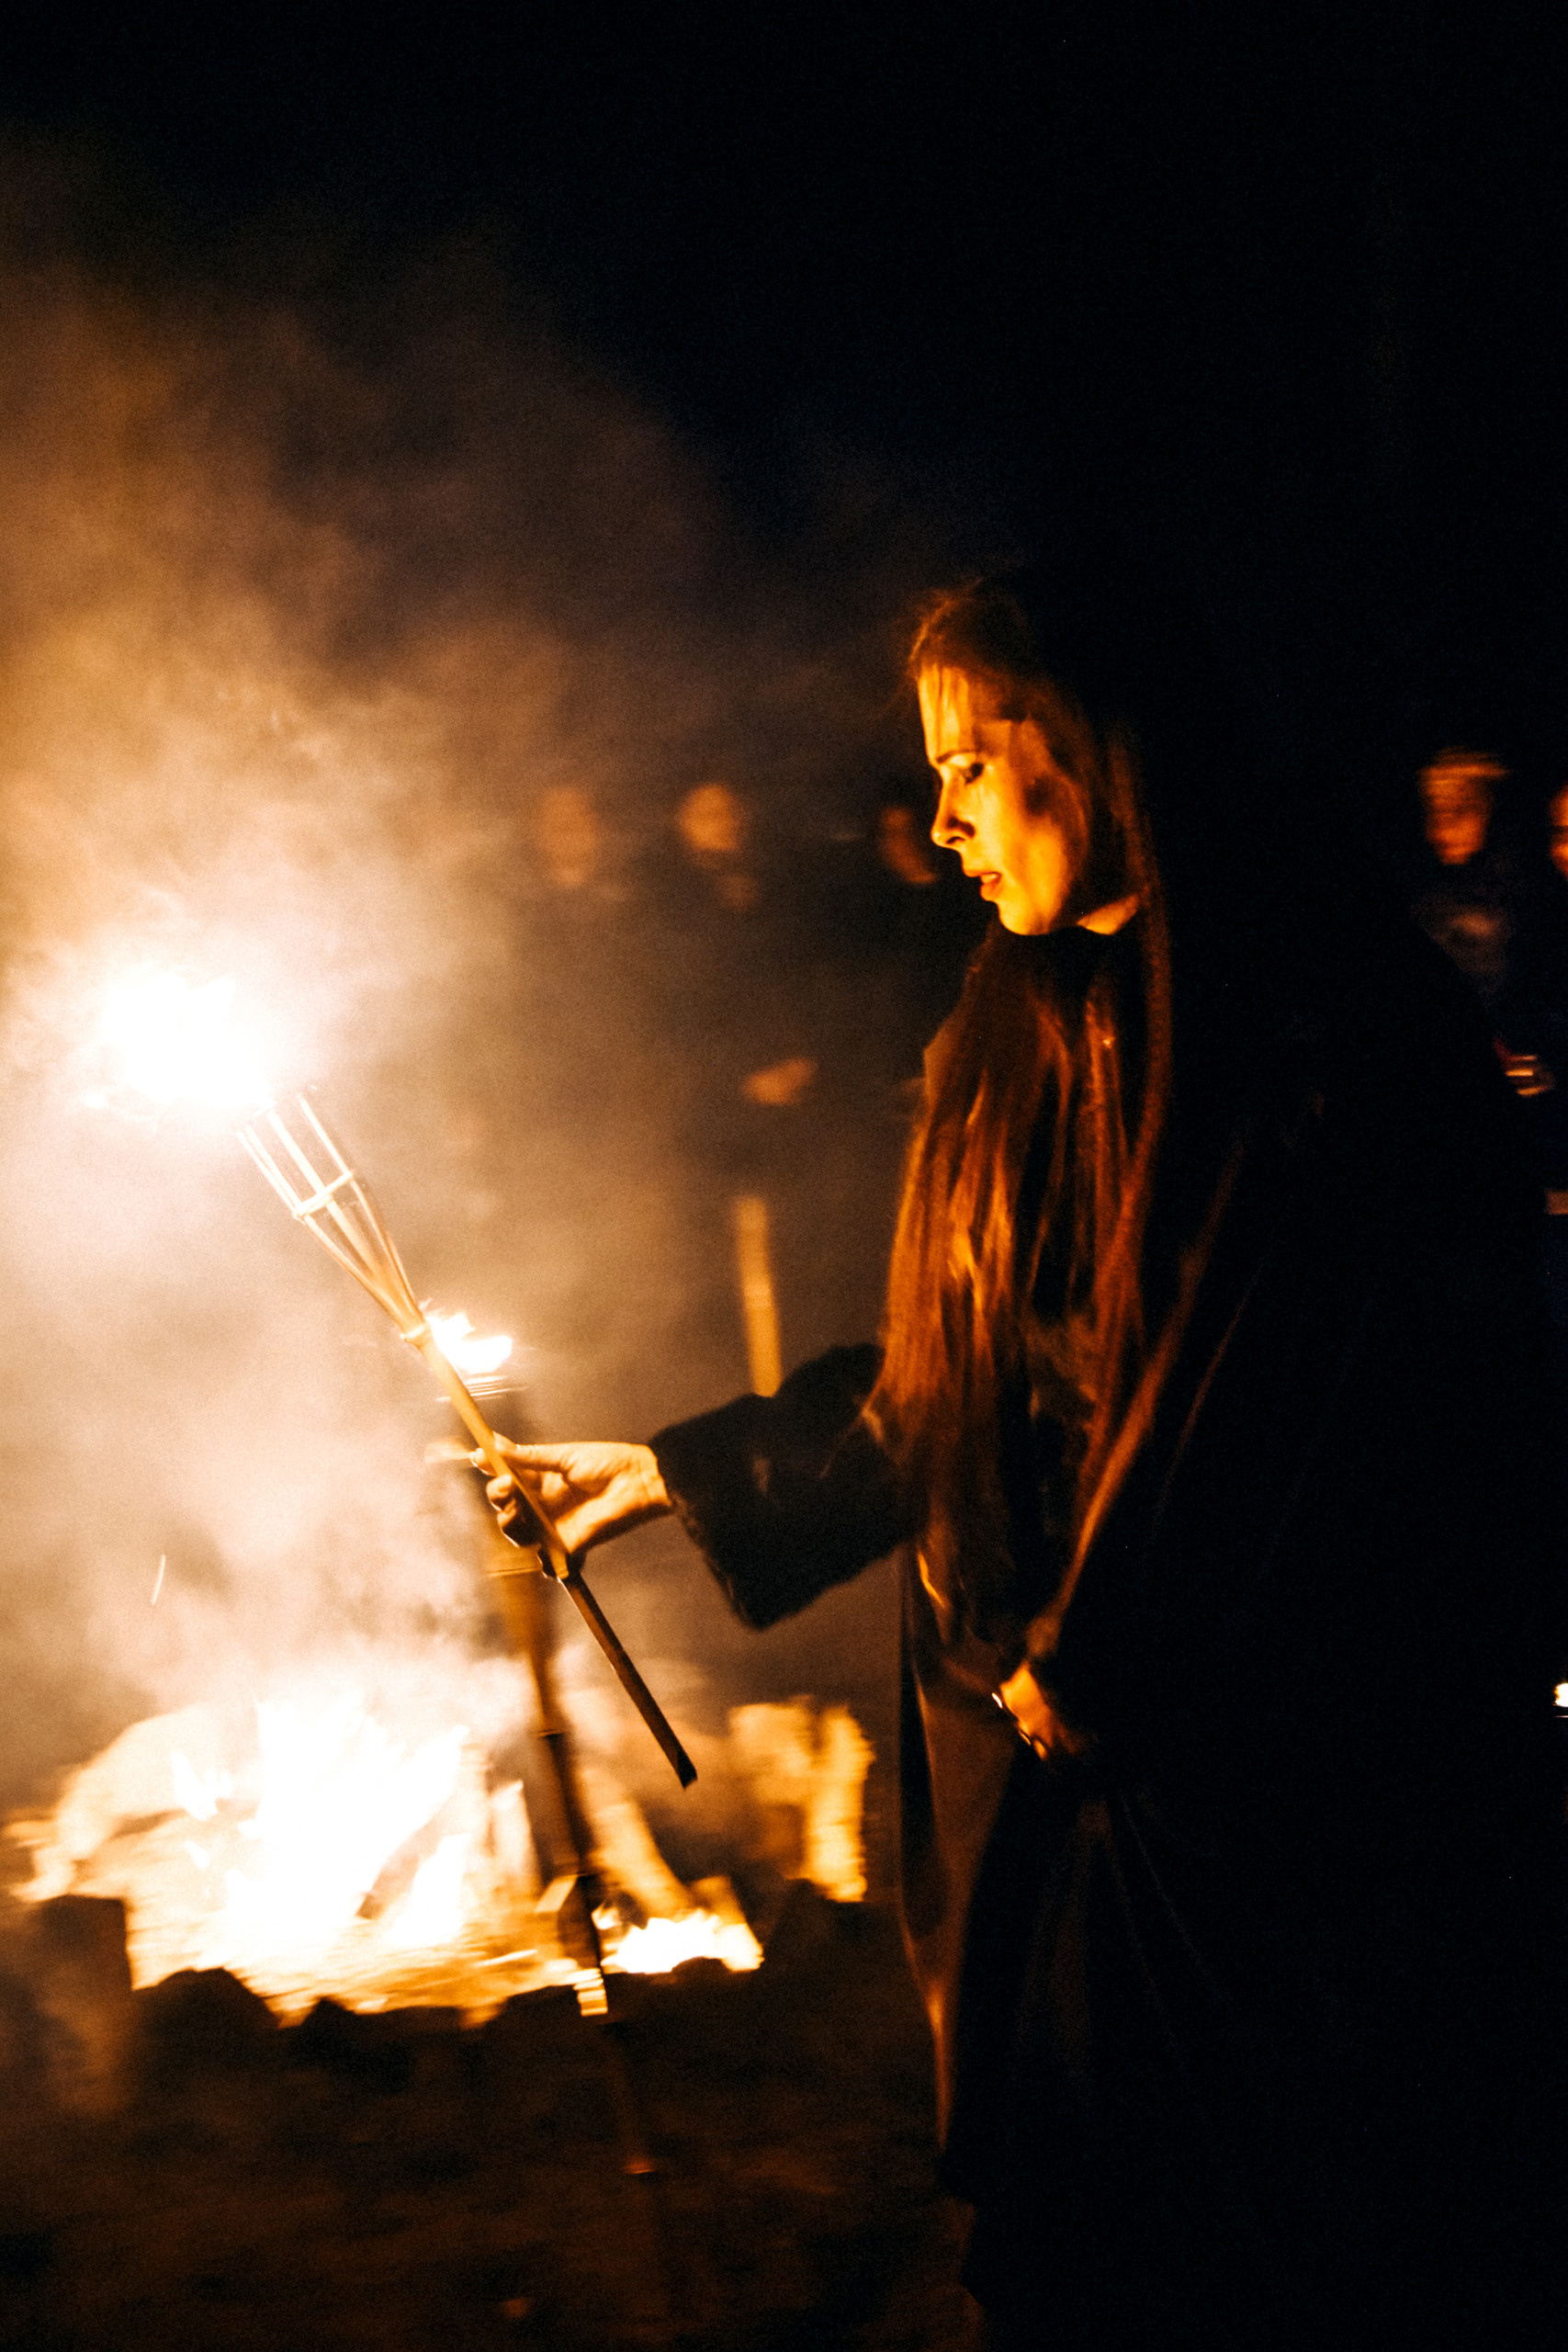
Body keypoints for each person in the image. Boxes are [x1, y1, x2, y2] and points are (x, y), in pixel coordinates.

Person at [489, 577, 1563, 2349]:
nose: (946, 822)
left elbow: (1307, 1407)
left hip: (1273, 1822)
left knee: (1302, 2256)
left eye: (980, 767)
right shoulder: (1019, 1026)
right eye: (934, 777)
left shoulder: (1321, 1032)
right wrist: (687, 1474)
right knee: (1087, 2245)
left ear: (1117, 762)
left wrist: (1118, 1642)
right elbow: (977, 1375)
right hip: (1059, 1779)